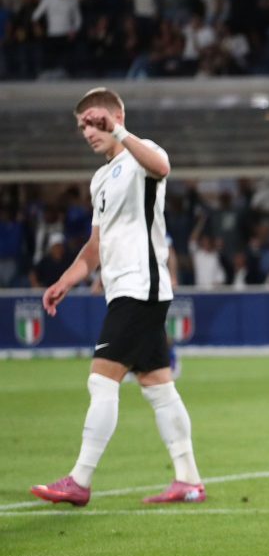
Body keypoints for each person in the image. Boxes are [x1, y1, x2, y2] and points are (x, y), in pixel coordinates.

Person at [31, 87, 205, 507]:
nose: (89, 132)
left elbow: (162, 166)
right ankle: (189, 481)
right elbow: (94, 248)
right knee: (159, 387)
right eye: (83, 126)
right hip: (126, 288)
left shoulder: (140, 155)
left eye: (94, 122)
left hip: (139, 285)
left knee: (100, 379)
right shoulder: (99, 179)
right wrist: (66, 280)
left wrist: (122, 132)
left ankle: (80, 479)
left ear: (116, 116)